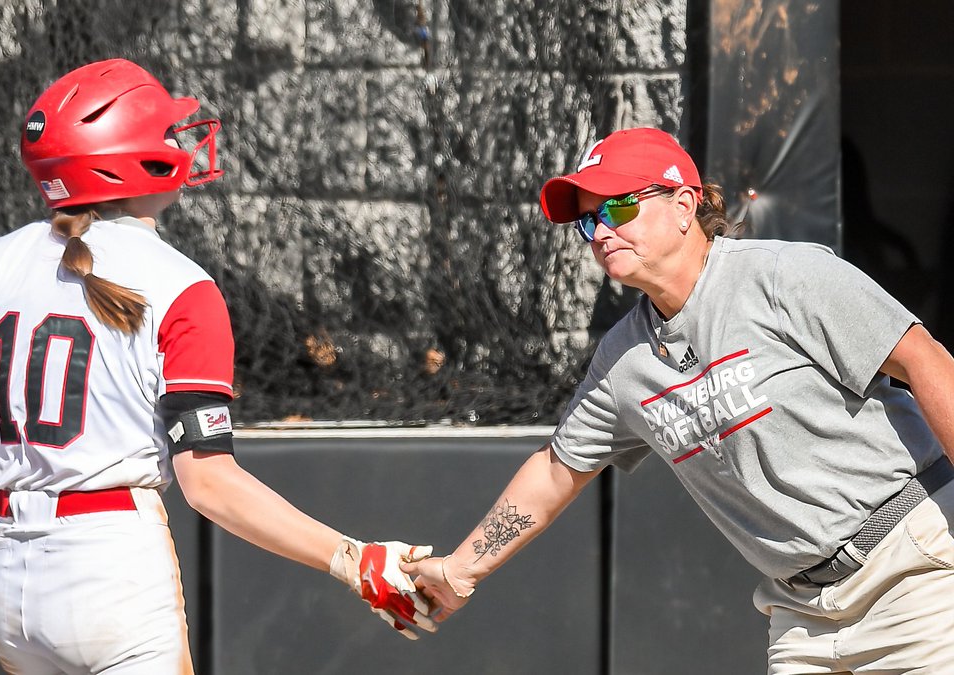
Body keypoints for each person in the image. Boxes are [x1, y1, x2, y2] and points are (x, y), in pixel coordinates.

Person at [0, 58, 435, 674]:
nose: (182, 142)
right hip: (113, 568)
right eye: (164, 133)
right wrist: (352, 557)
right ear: (127, 162)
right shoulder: (184, 286)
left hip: (9, 571)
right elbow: (210, 486)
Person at [400, 127, 954, 674]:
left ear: (684, 204)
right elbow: (553, 472)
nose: (599, 232)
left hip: (913, 572)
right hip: (802, 613)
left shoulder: (784, 276)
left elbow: (927, 361)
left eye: (616, 209)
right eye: (587, 221)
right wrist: (458, 571)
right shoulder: (623, 359)